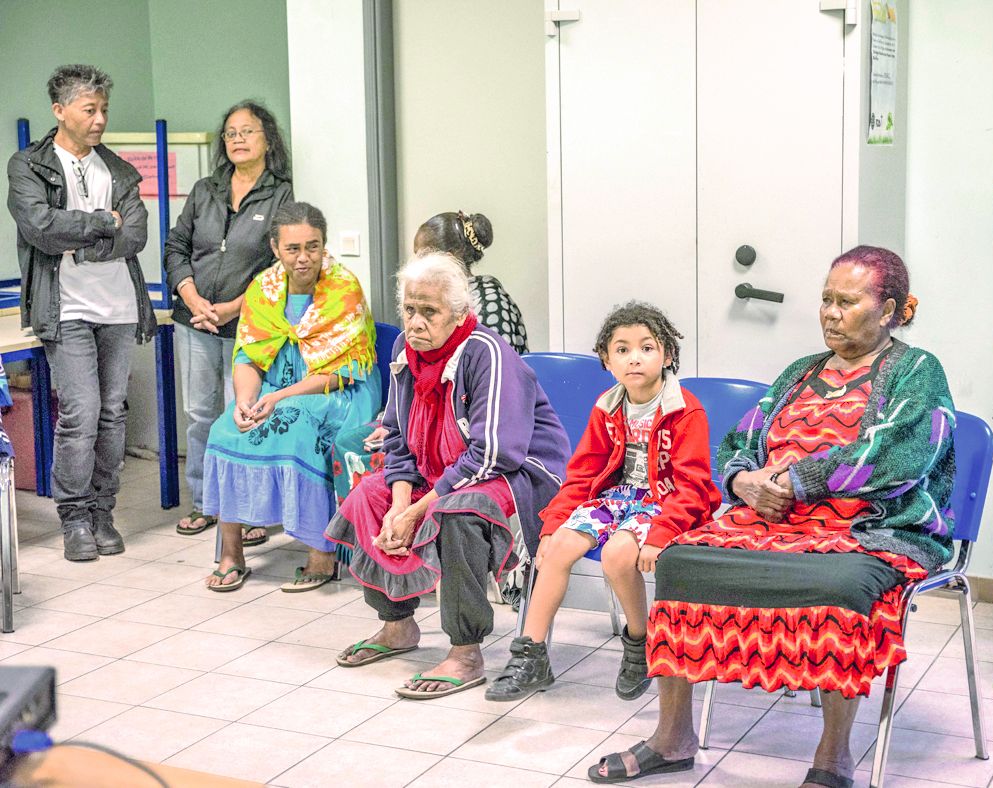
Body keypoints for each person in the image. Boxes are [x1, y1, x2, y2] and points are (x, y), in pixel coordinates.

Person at [588, 247, 954, 787]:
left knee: (841, 586)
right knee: (680, 562)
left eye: (847, 302)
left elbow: (900, 455)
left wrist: (796, 480)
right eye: (826, 299)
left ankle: (832, 757)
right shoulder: (800, 372)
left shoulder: (917, 372)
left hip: (866, 529)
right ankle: (673, 738)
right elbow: (740, 442)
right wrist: (744, 482)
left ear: (888, 310)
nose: (830, 312)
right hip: (768, 522)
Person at [325, 251, 569, 699]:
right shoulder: (404, 350)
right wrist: (400, 504)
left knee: (458, 512)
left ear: (458, 313)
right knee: (369, 498)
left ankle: (466, 650)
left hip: (517, 476)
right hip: (439, 471)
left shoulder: (486, 353)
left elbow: (494, 452)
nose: (415, 322)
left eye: (429, 312)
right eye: (409, 310)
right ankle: (397, 625)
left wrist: (420, 508)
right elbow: (396, 434)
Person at [486, 301, 720, 703]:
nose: (635, 358)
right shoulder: (607, 406)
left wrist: (662, 531)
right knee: (555, 549)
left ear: (667, 354)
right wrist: (554, 523)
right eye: (623, 349)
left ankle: (638, 642)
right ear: (607, 361)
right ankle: (531, 654)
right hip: (617, 498)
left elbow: (694, 485)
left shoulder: (685, 409)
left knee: (616, 555)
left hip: (664, 502)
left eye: (647, 347)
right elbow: (582, 474)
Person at [6, 64, 157, 562]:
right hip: (65, 306)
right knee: (81, 412)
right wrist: (101, 222)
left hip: (117, 306)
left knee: (113, 413)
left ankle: (102, 513)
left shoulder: (118, 170)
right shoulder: (28, 165)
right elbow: (41, 228)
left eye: (103, 110)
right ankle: (73, 518)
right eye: (89, 110)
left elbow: (135, 235)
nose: (99, 120)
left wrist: (86, 244)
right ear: (60, 110)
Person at [203, 202, 380, 592]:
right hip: (276, 389)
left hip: (337, 390)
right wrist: (246, 400)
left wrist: (280, 396)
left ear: (324, 245)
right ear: (275, 247)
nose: (304, 258)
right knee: (224, 428)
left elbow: (342, 371)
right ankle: (232, 554)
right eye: (293, 248)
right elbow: (248, 355)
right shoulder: (262, 289)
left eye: (313, 247)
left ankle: (321, 554)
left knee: (296, 420)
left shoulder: (343, 288)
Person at [330, 210, 529, 506]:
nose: (416, 320)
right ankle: (371, 540)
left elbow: (489, 409)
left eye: (422, 256)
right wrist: (394, 422)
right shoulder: (408, 339)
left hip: (477, 427)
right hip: (432, 422)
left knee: (374, 459)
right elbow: (407, 404)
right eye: (409, 311)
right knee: (351, 446)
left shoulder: (481, 318)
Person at [164, 100, 293, 543]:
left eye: (248, 131)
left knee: (244, 413)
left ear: (268, 139)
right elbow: (176, 246)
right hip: (193, 318)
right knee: (200, 415)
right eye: (231, 133)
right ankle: (207, 503)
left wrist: (236, 306)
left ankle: (252, 510)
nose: (238, 139)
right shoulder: (205, 189)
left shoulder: (282, 193)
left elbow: (278, 263)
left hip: (250, 324)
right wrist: (192, 296)